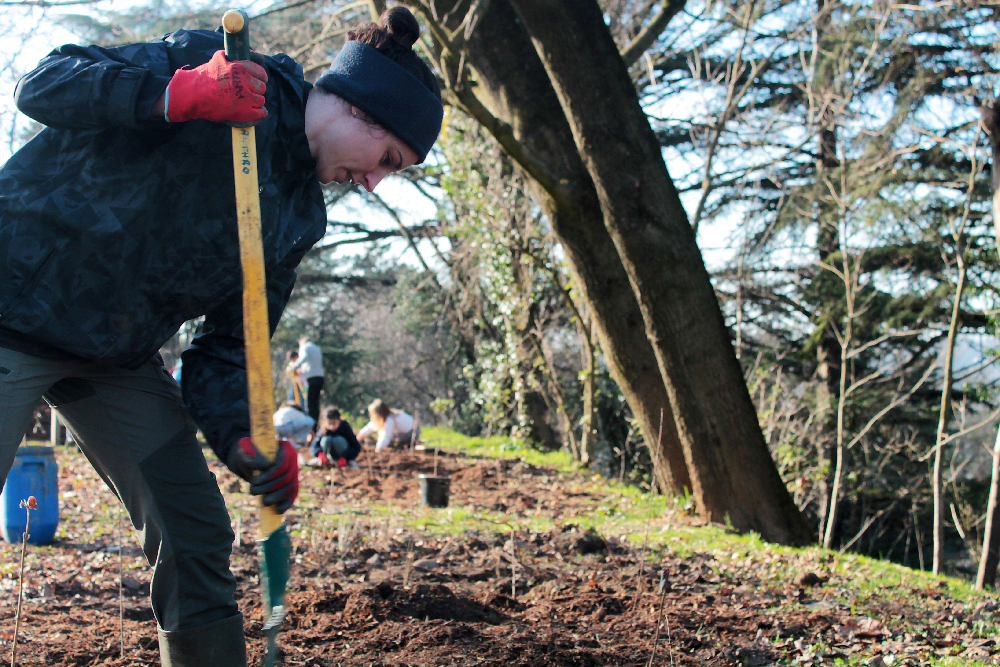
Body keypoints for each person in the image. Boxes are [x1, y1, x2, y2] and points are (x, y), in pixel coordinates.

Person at [0, 7, 442, 667]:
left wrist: (246, 439)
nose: (375, 182)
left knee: (194, 531)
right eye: (386, 159)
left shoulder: (297, 218)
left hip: (110, 359)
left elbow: (229, 350)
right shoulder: (221, 66)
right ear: (358, 110)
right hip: (12, 298)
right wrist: (171, 96)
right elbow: (46, 83)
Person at [293, 336, 324, 426]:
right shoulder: (317, 348)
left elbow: (304, 357)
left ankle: (311, 426)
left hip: (311, 378)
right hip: (320, 377)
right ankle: (315, 424)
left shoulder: (305, 347)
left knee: (310, 404)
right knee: (315, 403)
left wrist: (294, 366)